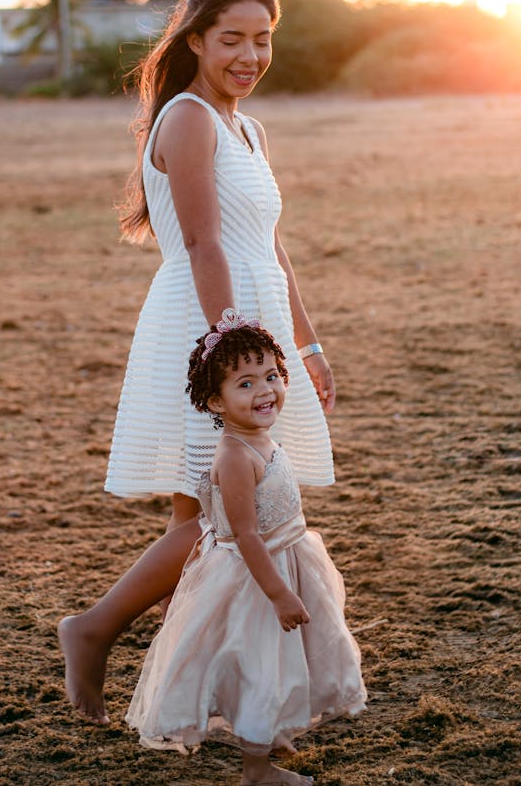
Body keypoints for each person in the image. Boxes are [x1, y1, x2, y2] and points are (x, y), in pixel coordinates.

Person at [59, 0, 337, 722]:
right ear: (196, 40)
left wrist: (306, 350)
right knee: (217, 518)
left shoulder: (249, 126)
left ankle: (188, 675)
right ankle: (94, 628)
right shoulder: (186, 117)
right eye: (232, 39)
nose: (250, 54)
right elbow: (206, 242)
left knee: (207, 516)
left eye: (263, 38)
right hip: (208, 326)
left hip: (254, 325)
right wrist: (231, 352)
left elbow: (271, 253)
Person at [126, 315, 366, 785]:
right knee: (261, 667)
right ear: (216, 400)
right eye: (246, 383)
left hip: (287, 558)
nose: (265, 391)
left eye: (273, 376)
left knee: (285, 659)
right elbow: (247, 536)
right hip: (255, 578)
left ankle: (272, 729)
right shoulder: (235, 456)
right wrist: (278, 593)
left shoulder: (259, 436)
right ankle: (257, 770)